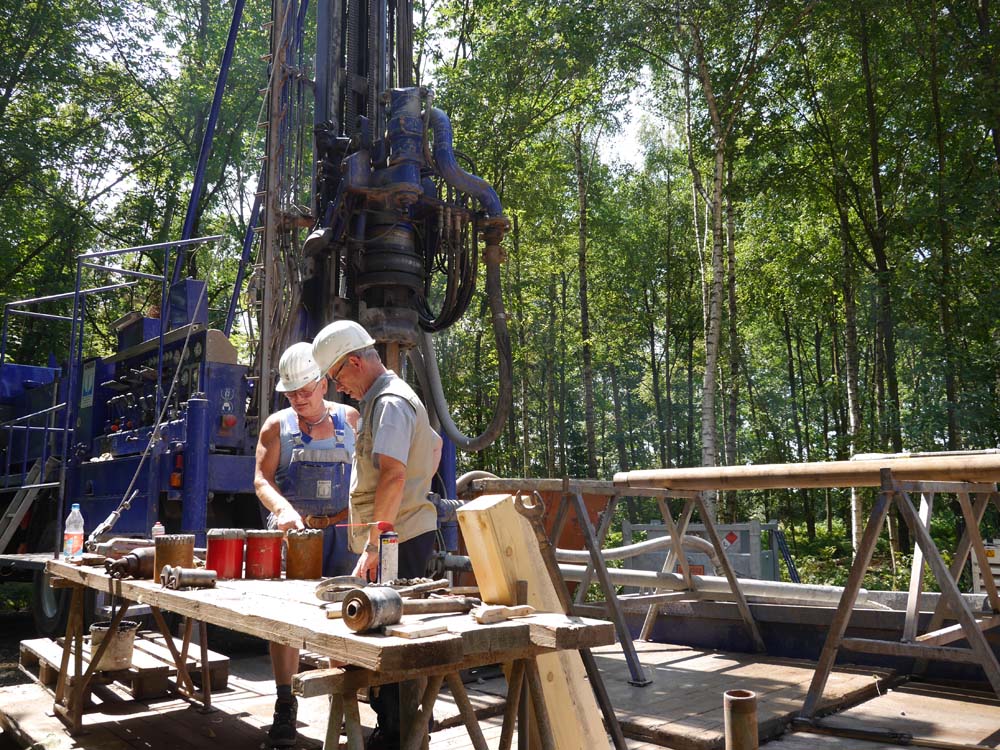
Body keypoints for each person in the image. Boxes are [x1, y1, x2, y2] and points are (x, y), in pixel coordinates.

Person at [312, 320, 441, 749]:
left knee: (390, 642)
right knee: (381, 634)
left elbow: (393, 477)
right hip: (394, 536)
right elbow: (434, 446)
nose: (337, 388)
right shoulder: (380, 401)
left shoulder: (389, 402)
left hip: (396, 540)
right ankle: (396, 730)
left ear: (354, 362)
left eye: (337, 377)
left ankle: (399, 735)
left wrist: (374, 545)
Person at [254, 341, 359, 748]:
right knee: (284, 621)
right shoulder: (276, 426)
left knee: (346, 615)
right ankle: (285, 706)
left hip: (342, 533)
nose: (299, 400)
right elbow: (262, 480)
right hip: (295, 535)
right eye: (291, 393)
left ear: (323, 384)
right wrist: (282, 511)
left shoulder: (350, 418)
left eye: (306, 391)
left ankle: (344, 701)